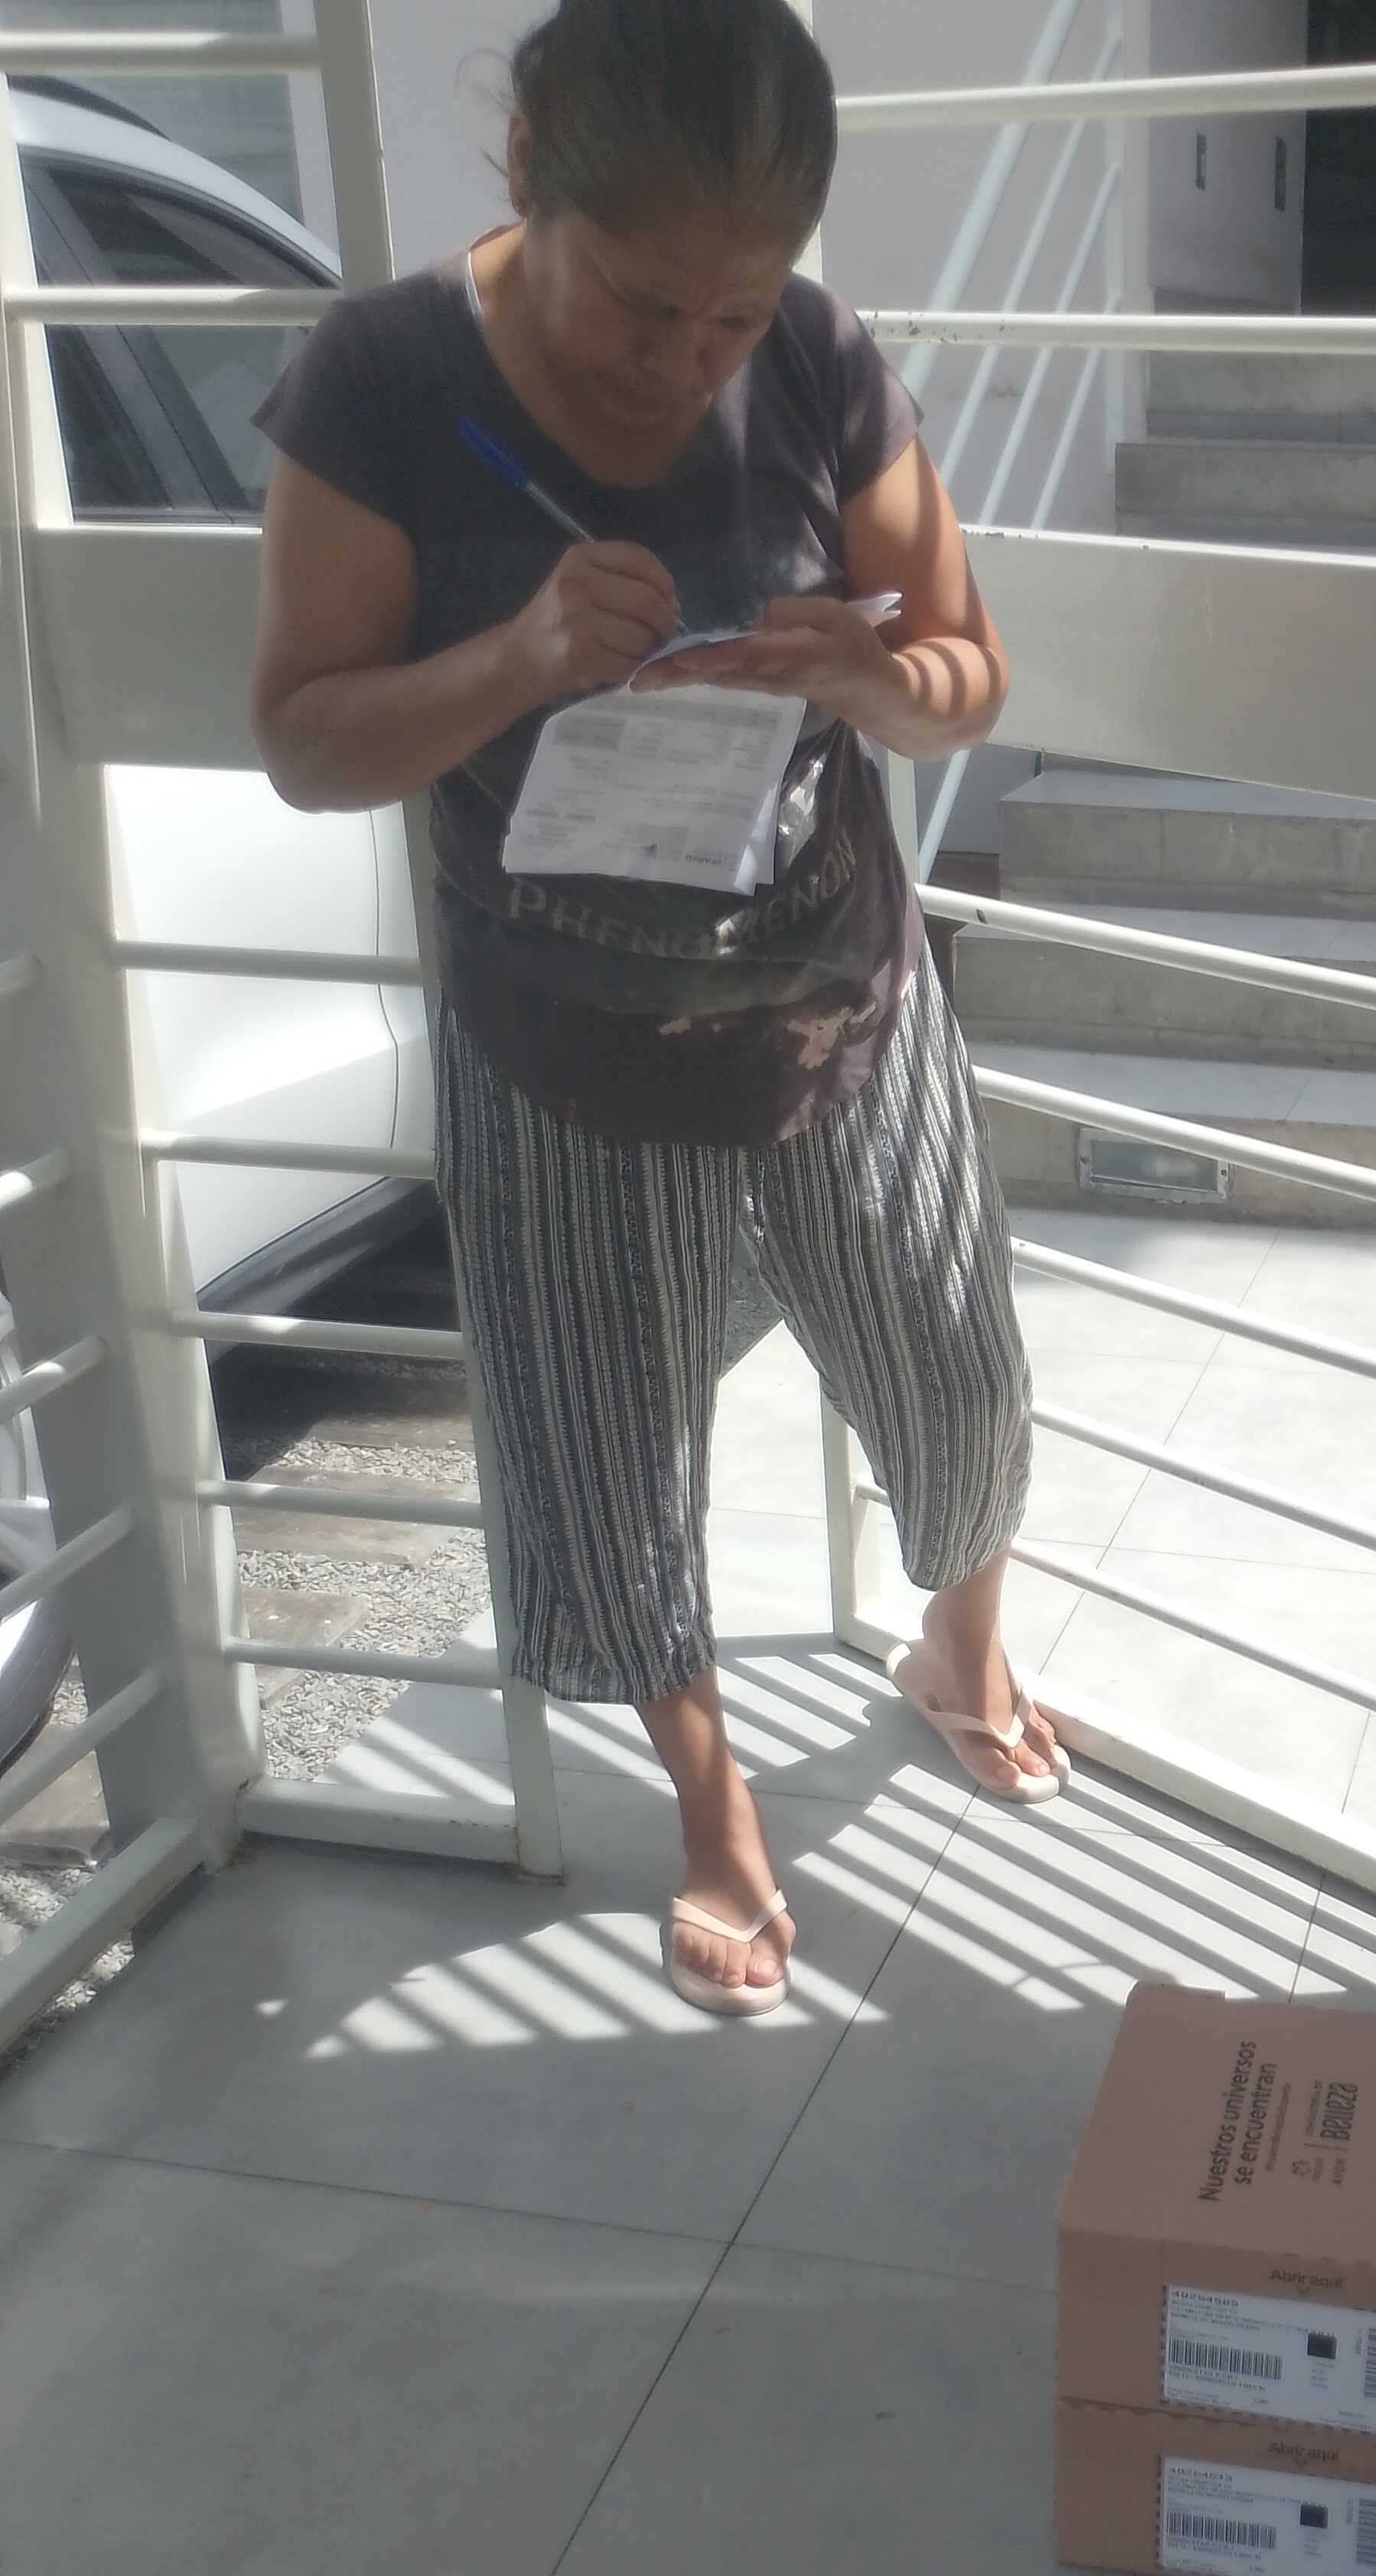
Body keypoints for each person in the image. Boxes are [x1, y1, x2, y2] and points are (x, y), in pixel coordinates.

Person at [249, 0, 1064, 2021]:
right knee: (612, 1452)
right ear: (530, 165)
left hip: (830, 984)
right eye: (641, 301)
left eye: (734, 313)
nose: (689, 359)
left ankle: (959, 1638)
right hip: (562, 1031)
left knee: (956, 1370)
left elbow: (968, 668)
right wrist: (519, 659)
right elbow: (305, 742)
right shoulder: (384, 377)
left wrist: (871, 682)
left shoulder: (820, 359)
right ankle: (712, 1800)